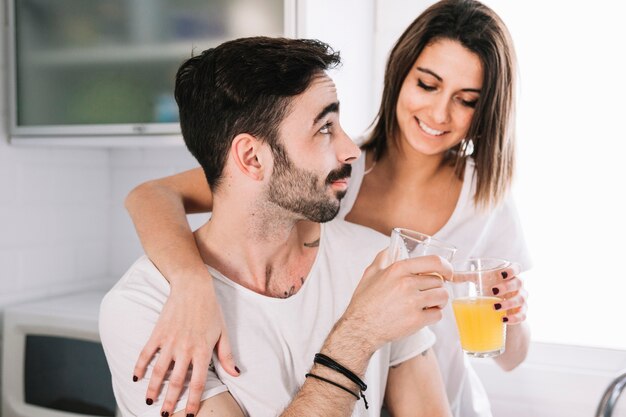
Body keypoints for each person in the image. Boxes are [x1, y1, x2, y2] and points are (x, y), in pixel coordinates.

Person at [124, 0, 531, 416]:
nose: (440, 113)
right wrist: (191, 284)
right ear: (400, 75)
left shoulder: (486, 197)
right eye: (427, 85)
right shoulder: (329, 175)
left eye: (466, 100)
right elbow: (152, 196)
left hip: (439, 393)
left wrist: (509, 313)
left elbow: (509, 356)